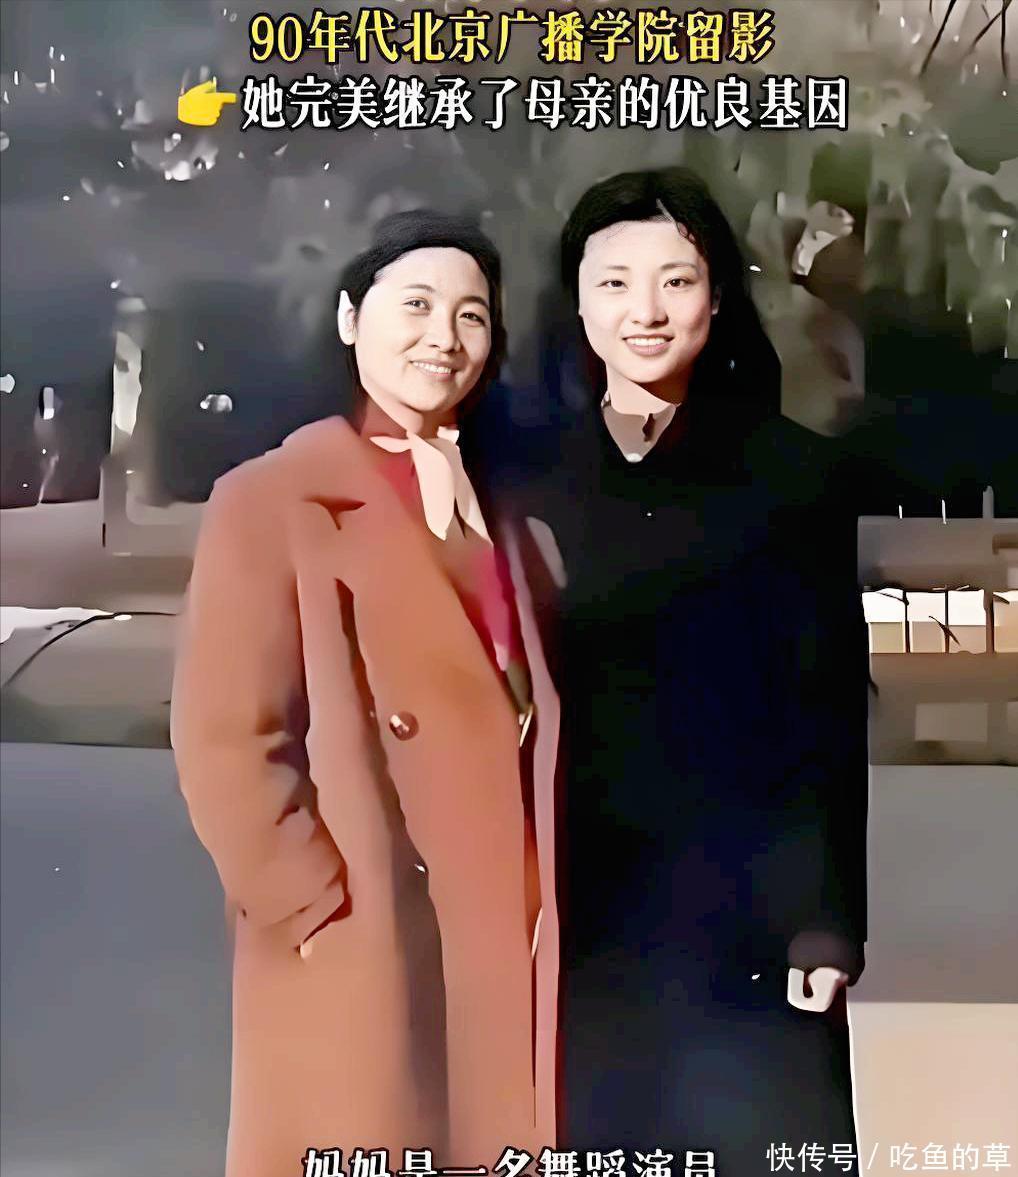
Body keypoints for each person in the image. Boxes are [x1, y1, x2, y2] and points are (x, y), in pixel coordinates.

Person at [170, 210, 543, 1172]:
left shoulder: (508, 507)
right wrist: (313, 906)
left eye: (470, 315)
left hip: (505, 930)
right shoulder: (272, 497)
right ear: (349, 318)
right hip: (368, 929)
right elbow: (226, 736)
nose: (443, 337)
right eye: (414, 304)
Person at [510, 168, 869, 1165]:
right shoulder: (518, 479)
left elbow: (828, 707)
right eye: (615, 282)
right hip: (577, 903)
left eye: (676, 280)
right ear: (577, 302)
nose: (646, 311)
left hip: (746, 909)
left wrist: (826, 920)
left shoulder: (793, 476)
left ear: (717, 297)